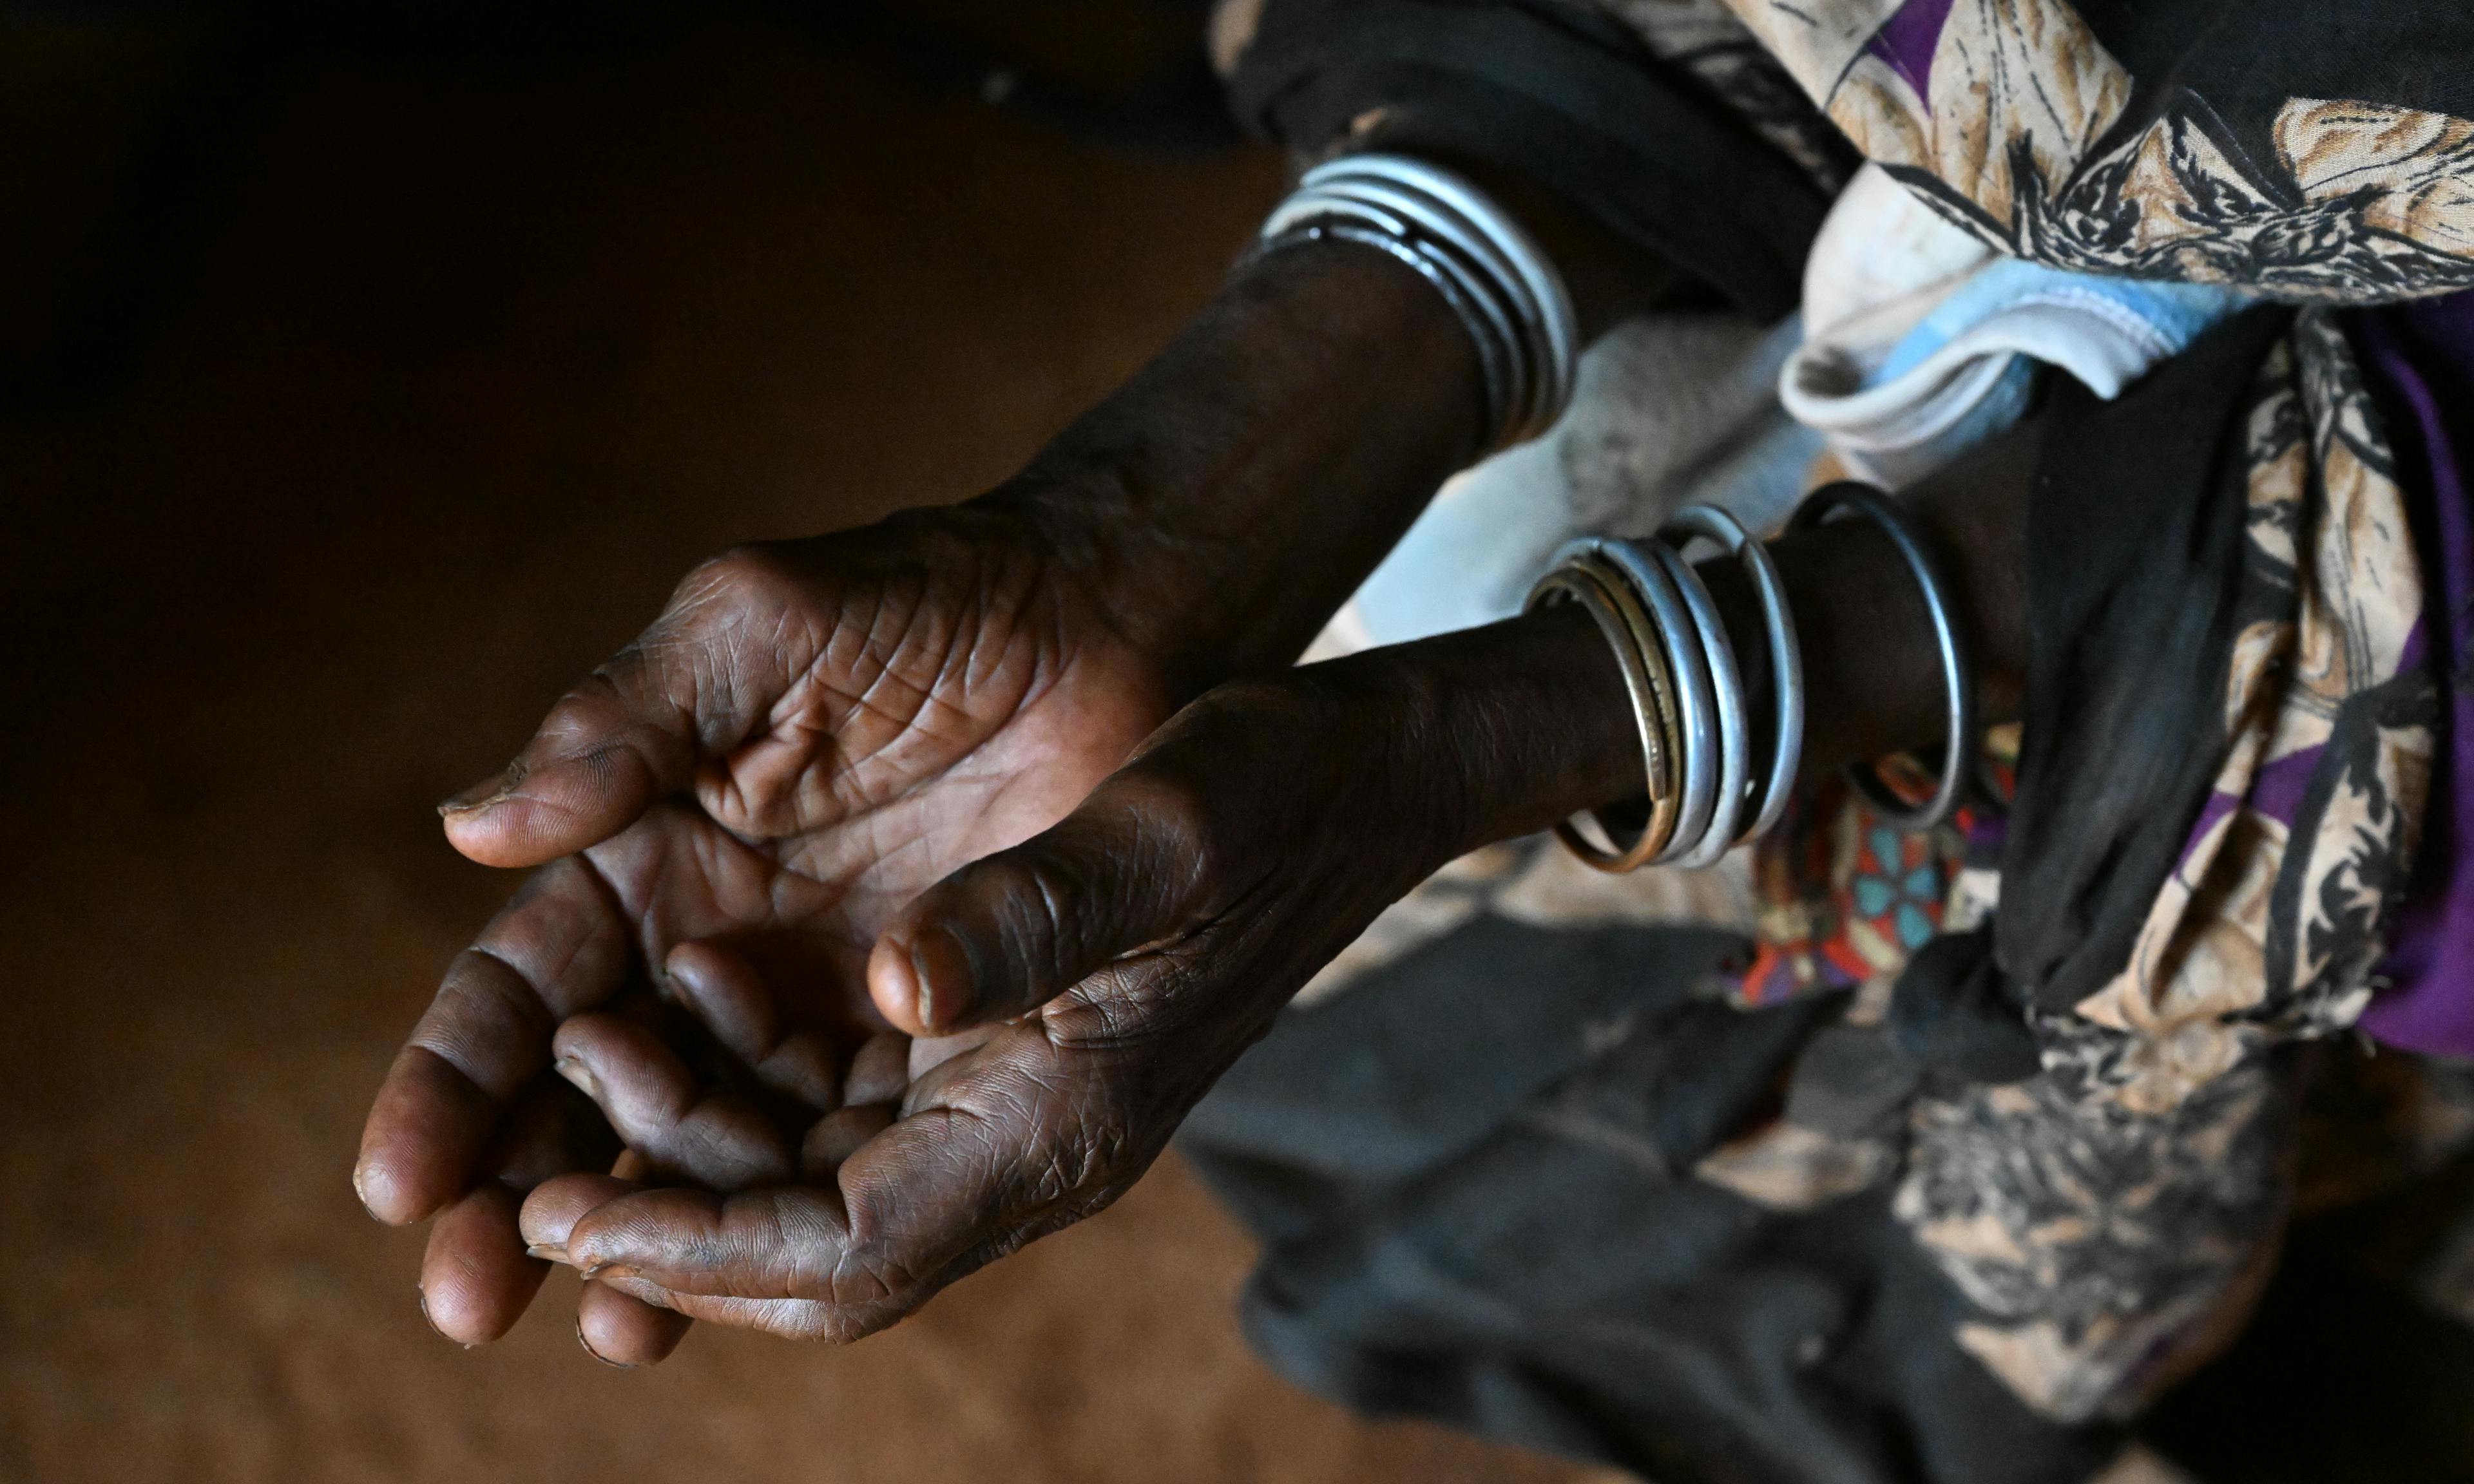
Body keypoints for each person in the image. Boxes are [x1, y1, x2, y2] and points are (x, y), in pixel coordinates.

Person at [356, 1, 2474, 1478]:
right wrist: (1169, 515)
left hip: (2353, 606)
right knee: (1358, 1043)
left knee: (1812, 1210)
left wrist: (1526, 721)